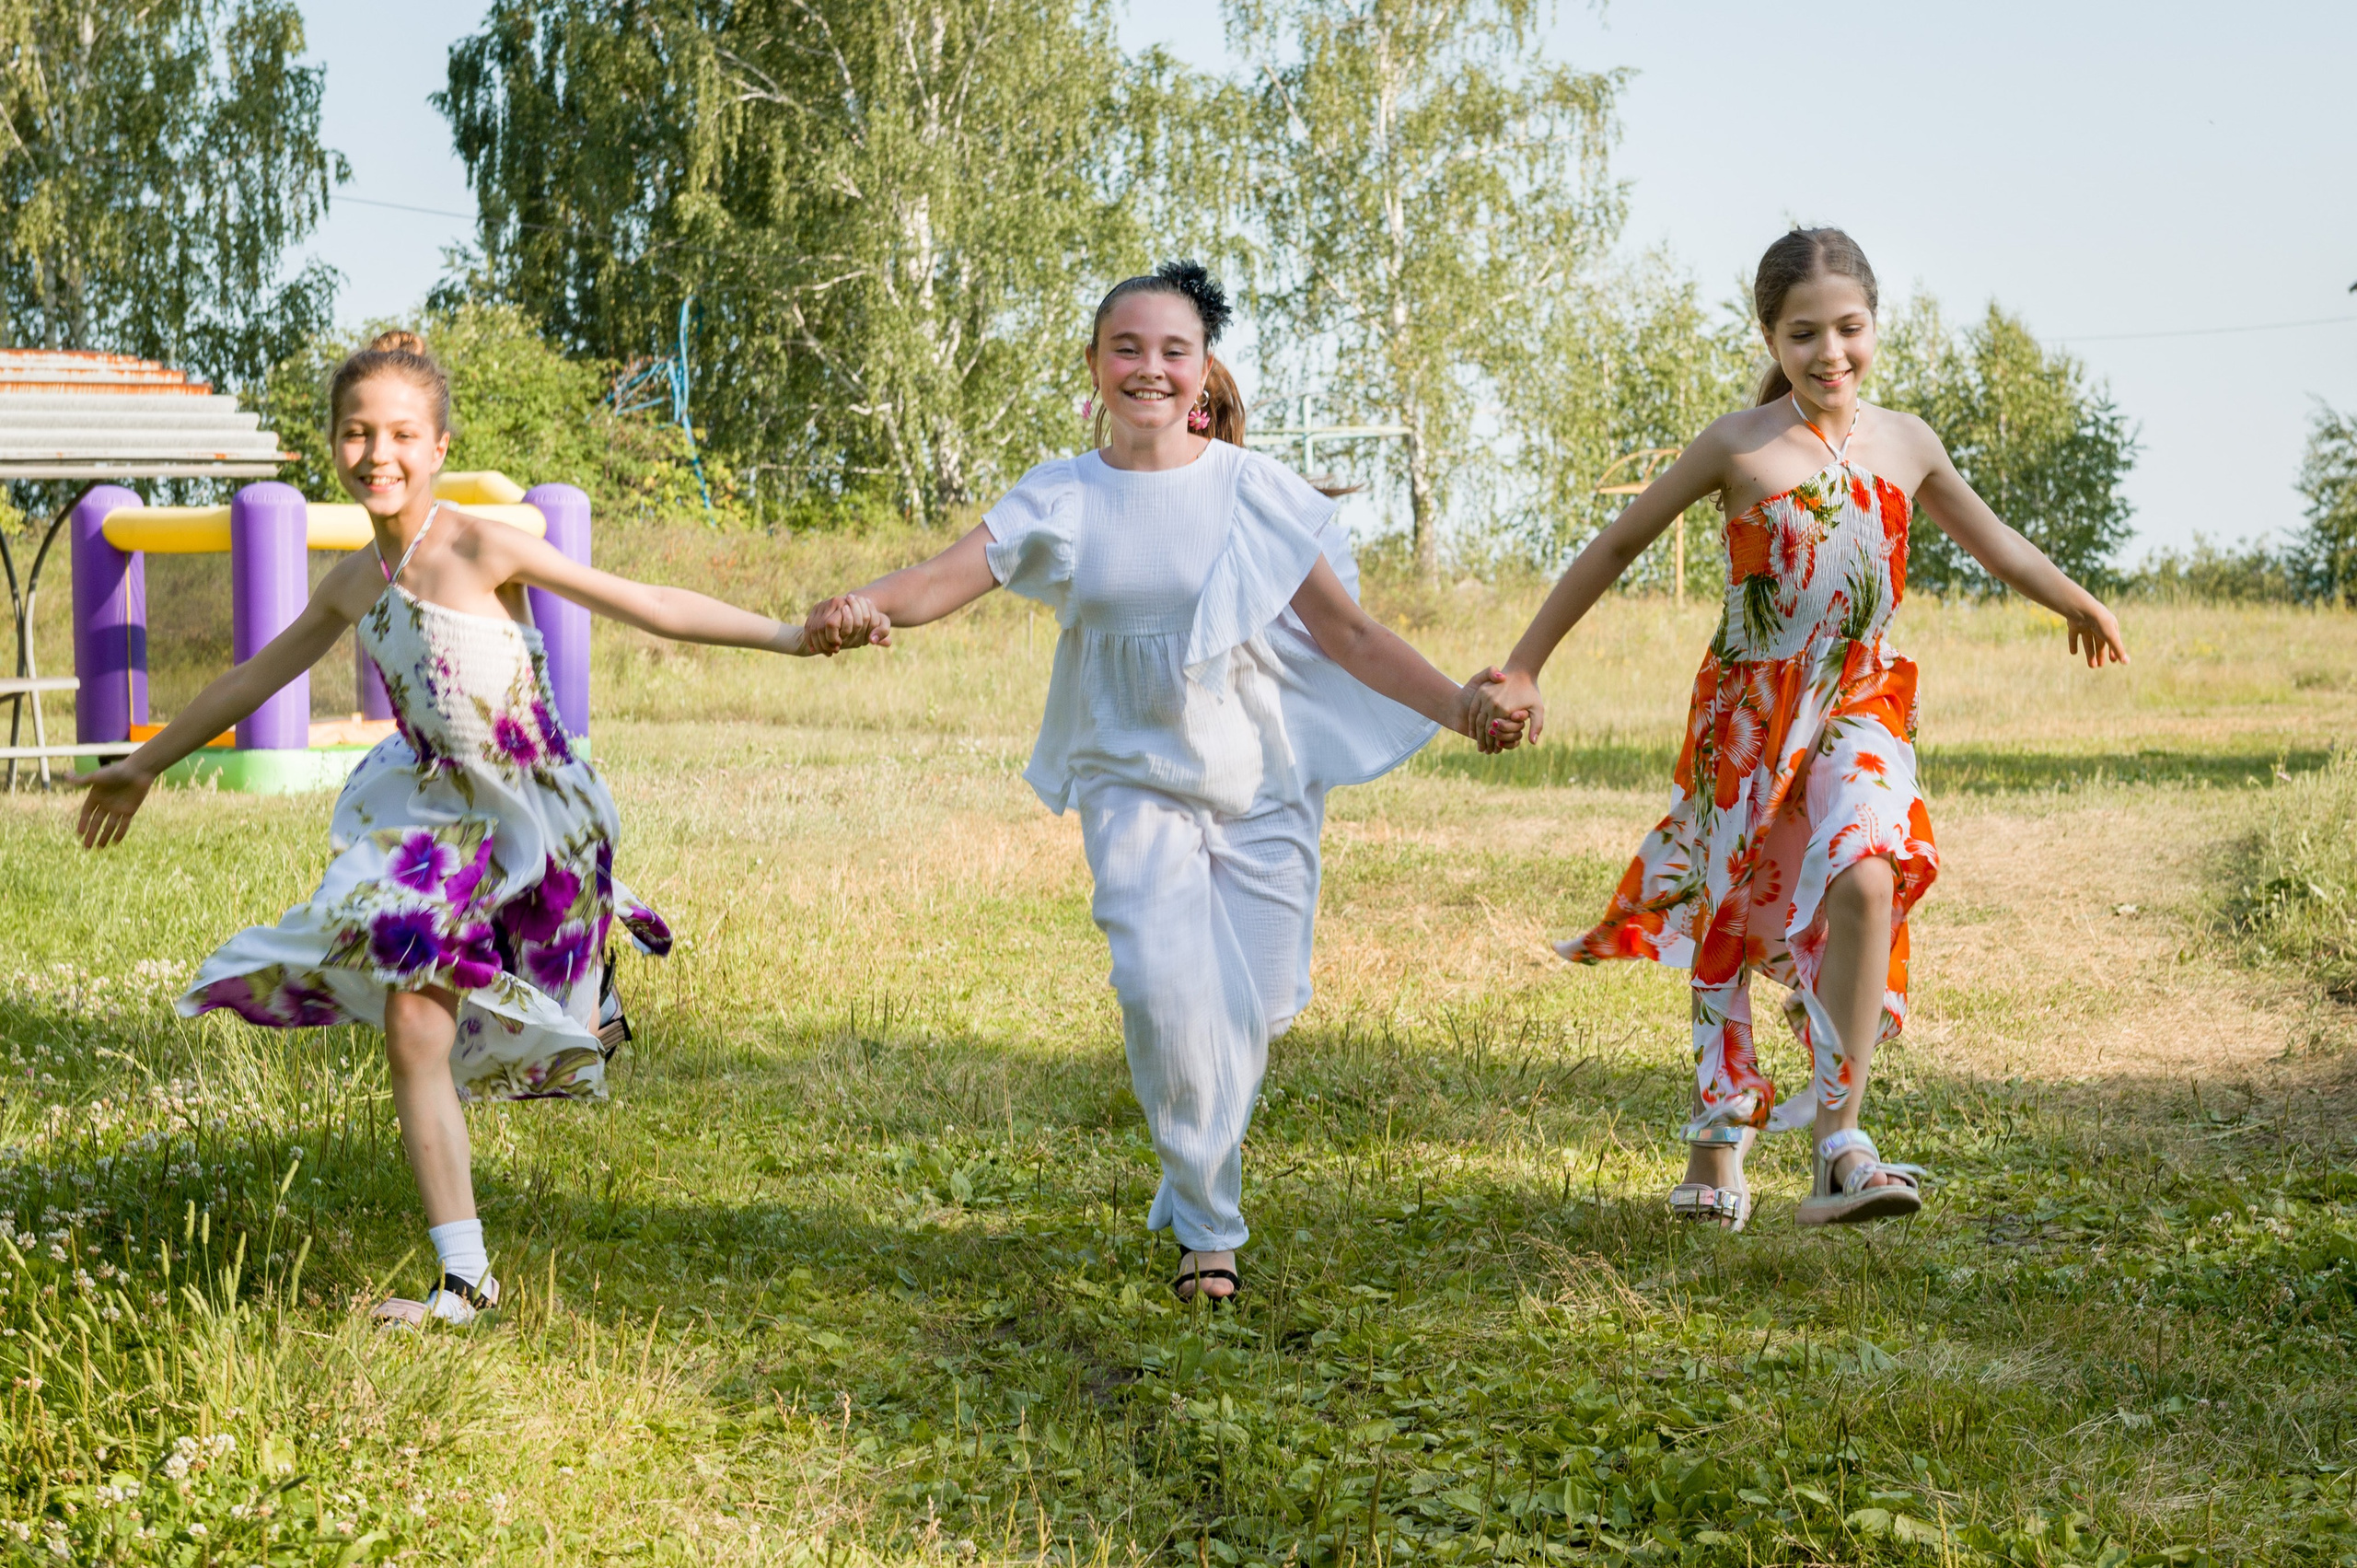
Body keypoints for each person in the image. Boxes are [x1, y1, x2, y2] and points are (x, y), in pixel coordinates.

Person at [75, 331, 887, 1325]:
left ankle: (590, 990)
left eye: (403, 434)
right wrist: (146, 761)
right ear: (330, 443)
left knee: (558, 1007)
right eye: (357, 433)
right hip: (435, 813)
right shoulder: (350, 583)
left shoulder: (480, 542)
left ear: (441, 443)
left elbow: (648, 603)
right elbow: (257, 674)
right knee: (417, 1021)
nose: (380, 454)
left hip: (539, 805)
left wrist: (786, 635)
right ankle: (464, 1277)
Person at [802, 261, 1526, 1299]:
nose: (1149, 367)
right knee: (1164, 990)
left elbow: (1350, 634)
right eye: (1127, 348)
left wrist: (1458, 704)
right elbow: (938, 579)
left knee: (1259, 1008)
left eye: (1172, 350)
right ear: (1095, 366)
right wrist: (853, 603)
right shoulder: (1061, 494)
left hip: (1261, 780)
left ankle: (1190, 1161)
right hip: (1130, 778)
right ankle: (1208, 1235)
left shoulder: (1252, 492)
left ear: (1201, 370)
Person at [1474, 228, 2128, 1230]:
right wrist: (1524, 663)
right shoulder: (1737, 445)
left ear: (1875, 323)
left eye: (1849, 328)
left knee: (1871, 871)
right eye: (1804, 333)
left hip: (1863, 701)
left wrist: (2076, 600)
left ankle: (1838, 1142)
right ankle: (1717, 1129)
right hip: (1748, 716)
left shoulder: (1907, 442)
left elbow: (1993, 539)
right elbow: (1614, 544)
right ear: (1771, 338)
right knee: (1732, 915)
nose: (1831, 353)